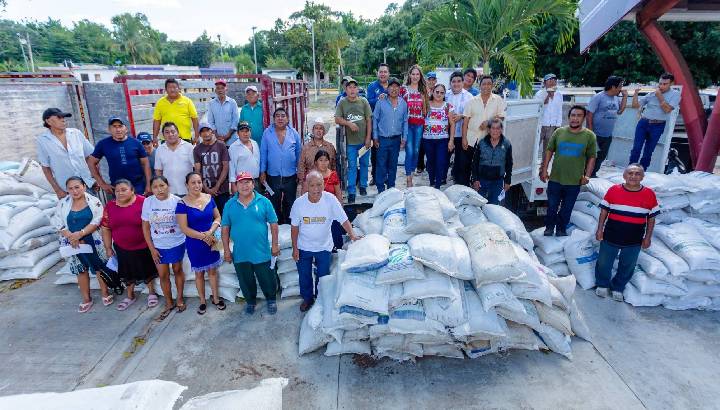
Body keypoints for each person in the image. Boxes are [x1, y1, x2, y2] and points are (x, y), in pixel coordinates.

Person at [290, 170, 359, 312]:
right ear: (306, 186)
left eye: (319, 185)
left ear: (323, 184)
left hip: (324, 247)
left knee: (323, 276)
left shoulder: (330, 200)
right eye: (312, 185)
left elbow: (343, 219)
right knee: (304, 275)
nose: (316, 189)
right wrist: (295, 248)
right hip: (304, 247)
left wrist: (353, 235)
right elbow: (294, 227)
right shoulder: (299, 203)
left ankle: (320, 299)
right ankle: (307, 299)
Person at [595, 163, 658, 301]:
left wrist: (648, 237)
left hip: (634, 239)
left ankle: (618, 287)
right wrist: (600, 229)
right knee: (604, 262)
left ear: (642, 177)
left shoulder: (649, 194)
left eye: (637, 174)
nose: (633, 176)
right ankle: (602, 284)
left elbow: (651, 218)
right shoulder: (614, 190)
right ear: (624, 175)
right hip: (611, 235)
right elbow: (604, 211)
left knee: (628, 265)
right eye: (630, 173)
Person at [221, 171, 280, 315]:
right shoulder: (229, 204)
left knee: (267, 278)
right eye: (241, 183)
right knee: (245, 280)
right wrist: (227, 250)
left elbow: (274, 224)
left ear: (253, 184)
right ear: (236, 186)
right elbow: (225, 228)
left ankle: (271, 299)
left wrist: (275, 245)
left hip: (261, 251)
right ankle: (250, 301)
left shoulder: (264, 201)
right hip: (241, 252)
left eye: (247, 182)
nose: (244, 185)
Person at [52, 176, 113, 312]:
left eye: (77, 187)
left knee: (99, 267)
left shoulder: (94, 201)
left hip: (92, 240)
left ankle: (105, 293)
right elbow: (58, 222)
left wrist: (81, 234)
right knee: (80, 269)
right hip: (72, 242)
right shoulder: (63, 203)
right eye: (70, 188)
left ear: (84, 187)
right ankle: (86, 298)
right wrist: (71, 236)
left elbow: (98, 219)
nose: (74, 191)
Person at [101, 180, 159, 311]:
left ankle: (151, 293)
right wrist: (108, 247)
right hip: (122, 247)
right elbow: (105, 228)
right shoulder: (110, 206)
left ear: (132, 190)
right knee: (126, 272)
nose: (120, 193)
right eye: (117, 191)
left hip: (144, 245)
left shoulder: (144, 202)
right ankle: (130, 296)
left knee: (147, 269)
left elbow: (154, 221)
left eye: (123, 190)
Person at [539, 106, 597, 237]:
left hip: (574, 182)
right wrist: (544, 170)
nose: (575, 118)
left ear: (583, 118)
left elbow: (592, 157)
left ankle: (561, 229)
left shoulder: (589, 136)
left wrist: (587, 176)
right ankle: (549, 228)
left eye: (579, 116)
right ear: (569, 117)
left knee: (567, 209)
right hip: (555, 179)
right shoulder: (559, 132)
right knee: (552, 207)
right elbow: (549, 151)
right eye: (573, 115)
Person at [176, 172, 224, 315]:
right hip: (195, 243)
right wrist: (203, 236)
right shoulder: (182, 204)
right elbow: (184, 228)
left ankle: (216, 298)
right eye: (193, 182)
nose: (197, 185)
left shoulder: (209, 198)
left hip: (212, 239)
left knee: (213, 272)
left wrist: (210, 232)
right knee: (199, 274)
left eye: (199, 182)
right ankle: (202, 301)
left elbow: (218, 217)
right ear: (187, 185)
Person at [141, 175, 187, 320]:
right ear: (151, 189)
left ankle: (180, 298)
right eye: (155, 187)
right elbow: (145, 228)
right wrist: (152, 249)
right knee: (163, 275)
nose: (159, 189)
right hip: (158, 245)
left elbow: (184, 224)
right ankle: (168, 302)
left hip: (176, 242)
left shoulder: (177, 201)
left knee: (177, 270)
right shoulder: (148, 202)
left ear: (168, 186)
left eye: (162, 185)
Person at [37, 108, 96, 199]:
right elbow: (46, 168)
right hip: (67, 190)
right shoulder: (43, 140)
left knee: (95, 207)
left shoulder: (76, 133)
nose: (63, 120)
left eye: (63, 117)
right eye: (59, 117)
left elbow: (91, 157)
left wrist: (96, 178)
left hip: (87, 184)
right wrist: (58, 190)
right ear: (48, 121)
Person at [459, 75, 506, 186]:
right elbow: (465, 121)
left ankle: (478, 188)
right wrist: (464, 138)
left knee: (481, 166)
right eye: (484, 84)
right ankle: (464, 187)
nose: (486, 86)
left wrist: (489, 122)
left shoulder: (498, 100)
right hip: (471, 138)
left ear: (492, 85)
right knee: (466, 165)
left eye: (489, 84)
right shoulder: (472, 101)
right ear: (479, 86)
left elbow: (501, 117)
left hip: (487, 140)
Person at [87, 117, 151, 196]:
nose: (118, 130)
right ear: (109, 129)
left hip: (138, 186)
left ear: (126, 129)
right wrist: (102, 184)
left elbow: (145, 164)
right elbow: (91, 162)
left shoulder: (136, 143)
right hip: (117, 188)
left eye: (120, 126)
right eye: (114, 126)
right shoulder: (103, 144)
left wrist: (148, 184)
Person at [630, 73, 681, 170]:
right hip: (643, 123)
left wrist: (659, 96)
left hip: (658, 125)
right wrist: (636, 93)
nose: (661, 86)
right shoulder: (652, 93)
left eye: (665, 84)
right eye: (660, 83)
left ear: (671, 84)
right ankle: (631, 169)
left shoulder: (675, 94)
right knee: (636, 148)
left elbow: (667, 110)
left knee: (648, 151)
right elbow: (635, 106)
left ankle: (641, 171)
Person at [260, 108, 303, 224]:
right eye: (277, 116)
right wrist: (262, 172)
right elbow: (263, 153)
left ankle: (289, 225)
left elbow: (299, 153)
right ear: (274, 119)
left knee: (290, 202)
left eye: (283, 116)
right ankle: (277, 225)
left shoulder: (294, 133)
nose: (280, 118)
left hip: (290, 176)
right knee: (274, 202)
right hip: (273, 176)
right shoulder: (267, 133)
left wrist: (300, 171)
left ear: (287, 119)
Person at [335, 77, 372, 203]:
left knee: (364, 164)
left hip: (363, 141)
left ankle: (363, 186)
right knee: (351, 166)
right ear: (346, 90)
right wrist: (349, 123)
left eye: (354, 87)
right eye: (349, 87)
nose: (352, 90)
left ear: (357, 89)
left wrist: (368, 138)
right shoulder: (342, 102)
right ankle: (351, 191)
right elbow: (337, 119)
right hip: (350, 143)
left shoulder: (363, 101)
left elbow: (369, 120)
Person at [587, 76, 628, 177]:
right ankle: (585, 174)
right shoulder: (598, 97)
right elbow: (589, 115)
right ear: (613, 87)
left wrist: (625, 97)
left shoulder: (615, 98)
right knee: (591, 156)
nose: (621, 89)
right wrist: (591, 132)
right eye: (620, 86)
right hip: (596, 134)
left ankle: (593, 174)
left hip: (608, 135)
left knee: (601, 156)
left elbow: (620, 111)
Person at [373, 77, 408, 192]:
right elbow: (375, 120)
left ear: (399, 89)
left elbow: (405, 121)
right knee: (381, 165)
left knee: (393, 165)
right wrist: (375, 137)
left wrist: (404, 138)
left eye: (396, 86)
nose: (394, 89)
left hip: (396, 140)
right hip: (382, 139)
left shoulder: (403, 103)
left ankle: (391, 188)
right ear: (387, 88)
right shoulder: (381, 102)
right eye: (391, 86)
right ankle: (380, 190)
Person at [471, 119, 513, 205]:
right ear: (489, 130)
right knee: (478, 206)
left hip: (497, 183)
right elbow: (475, 162)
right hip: (481, 181)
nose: (495, 131)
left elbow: (509, 164)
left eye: (498, 128)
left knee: (494, 207)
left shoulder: (506, 144)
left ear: (501, 130)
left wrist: (507, 181)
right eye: (493, 128)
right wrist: (475, 179)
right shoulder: (482, 143)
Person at [400, 65, 428, 188]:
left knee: (416, 151)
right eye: (413, 74)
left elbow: (427, 108)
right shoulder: (403, 89)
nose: (415, 76)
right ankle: (408, 178)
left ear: (420, 76)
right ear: (409, 75)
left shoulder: (423, 90)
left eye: (417, 74)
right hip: (407, 124)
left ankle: (411, 172)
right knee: (409, 150)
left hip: (419, 124)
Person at [422, 84, 455, 189]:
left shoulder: (448, 106)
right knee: (430, 162)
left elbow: (452, 124)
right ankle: (432, 181)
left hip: (442, 140)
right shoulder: (426, 104)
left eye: (442, 92)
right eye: (437, 92)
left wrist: (451, 141)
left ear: (444, 94)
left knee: (441, 162)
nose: (439, 94)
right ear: (433, 92)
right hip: (428, 140)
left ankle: (437, 186)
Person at [193, 122, 230, 214]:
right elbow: (197, 171)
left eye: (207, 130)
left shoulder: (221, 145)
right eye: (202, 131)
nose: (205, 133)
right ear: (200, 134)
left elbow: (225, 167)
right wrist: (206, 189)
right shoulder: (197, 149)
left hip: (222, 189)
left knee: (224, 215)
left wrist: (217, 186)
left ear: (212, 131)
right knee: (209, 217)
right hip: (205, 190)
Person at [312, 150, 344, 251]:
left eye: (326, 160)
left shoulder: (333, 175)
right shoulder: (312, 176)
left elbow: (338, 193)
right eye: (321, 160)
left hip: (332, 211)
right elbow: (306, 195)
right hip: (317, 211)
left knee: (336, 238)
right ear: (316, 162)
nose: (323, 163)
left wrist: (340, 210)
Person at [152, 79, 199, 144]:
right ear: (166, 89)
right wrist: (155, 137)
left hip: (184, 138)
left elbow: (195, 119)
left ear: (179, 89)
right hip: (166, 138)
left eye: (174, 87)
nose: (172, 90)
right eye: (169, 87)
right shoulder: (160, 102)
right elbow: (157, 120)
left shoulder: (187, 101)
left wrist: (197, 136)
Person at [446, 71, 474, 182]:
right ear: (450, 83)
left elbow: (473, 113)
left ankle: (458, 182)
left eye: (458, 81)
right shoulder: (446, 95)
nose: (456, 84)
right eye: (453, 81)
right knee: (444, 158)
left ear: (462, 82)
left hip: (462, 133)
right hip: (447, 133)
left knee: (461, 160)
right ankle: (441, 179)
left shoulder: (469, 97)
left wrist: (461, 116)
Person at [154, 122, 195, 196]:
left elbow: (196, 167)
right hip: (169, 193)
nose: (170, 134)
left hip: (188, 191)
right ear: (163, 135)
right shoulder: (160, 149)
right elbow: (158, 170)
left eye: (173, 132)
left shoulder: (188, 147)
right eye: (167, 132)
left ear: (178, 133)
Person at [366, 64, 391, 186]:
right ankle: (375, 176)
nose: (383, 74)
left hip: (389, 124)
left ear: (388, 74)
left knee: (387, 152)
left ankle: (386, 176)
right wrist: (378, 99)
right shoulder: (372, 86)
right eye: (381, 72)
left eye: (385, 72)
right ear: (377, 73)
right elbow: (368, 102)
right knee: (376, 151)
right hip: (376, 124)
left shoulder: (393, 86)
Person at [299, 117, 337, 193]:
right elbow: (301, 166)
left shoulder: (330, 147)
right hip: (311, 184)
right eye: (316, 128)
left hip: (327, 183)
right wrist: (302, 183)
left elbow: (334, 166)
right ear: (313, 130)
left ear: (324, 131)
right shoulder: (306, 148)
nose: (318, 131)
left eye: (321, 128)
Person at [534, 73, 563, 154]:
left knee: (548, 150)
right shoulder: (539, 94)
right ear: (544, 83)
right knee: (534, 148)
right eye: (550, 80)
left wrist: (558, 125)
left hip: (552, 126)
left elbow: (559, 110)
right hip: (540, 125)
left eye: (554, 80)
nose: (552, 82)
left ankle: (544, 162)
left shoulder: (559, 95)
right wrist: (548, 95)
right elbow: (538, 109)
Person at [228, 121, 260, 192]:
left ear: (250, 132)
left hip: (256, 181)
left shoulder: (255, 143)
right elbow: (232, 167)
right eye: (242, 131)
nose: (245, 134)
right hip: (242, 182)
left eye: (247, 131)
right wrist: (233, 185)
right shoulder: (233, 147)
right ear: (237, 133)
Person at [416, 71, 437, 176]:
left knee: (431, 144)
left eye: (433, 80)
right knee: (421, 143)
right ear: (426, 80)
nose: (431, 81)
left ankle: (430, 165)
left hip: (434, 121)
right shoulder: (422, 90)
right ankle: (420, 165)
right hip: (422, 119)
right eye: (430, 80)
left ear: (436, 81)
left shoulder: (438, 91)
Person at [207, 79, 240, 147]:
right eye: (218, 88)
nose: (220, 90)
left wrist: (228, 135)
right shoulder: (211, 103)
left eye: (222, 88)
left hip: (232, 140)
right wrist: (217, 135)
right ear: (215, 91)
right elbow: (210, 121)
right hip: (217, 140)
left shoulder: (232, 102)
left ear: (226, 89)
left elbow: (236, 120)